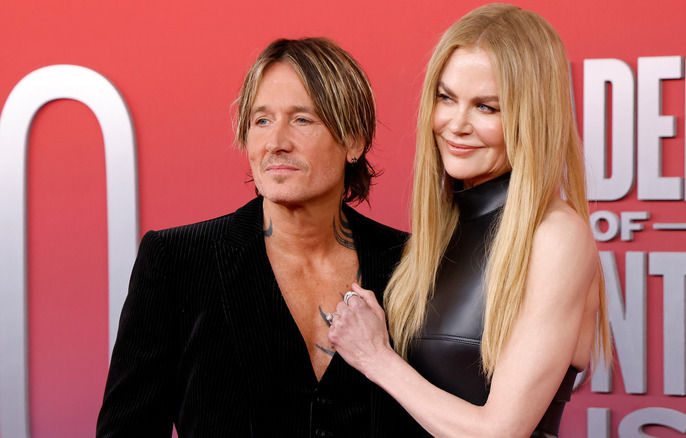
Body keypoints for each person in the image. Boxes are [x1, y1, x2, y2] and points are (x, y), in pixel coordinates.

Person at [97, 37, 411, 437]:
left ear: (354, 141)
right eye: (261, 121)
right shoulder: (176, 261)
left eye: (302, 119)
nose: (276, 143)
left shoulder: (412, 263)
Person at [328, 4, 612, 437]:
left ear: (531, 117)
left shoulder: (556, 238)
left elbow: (498, 432)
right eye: (446, 98)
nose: (455, 125)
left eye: (487, 108)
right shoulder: (437, 232)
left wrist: (375, 358)